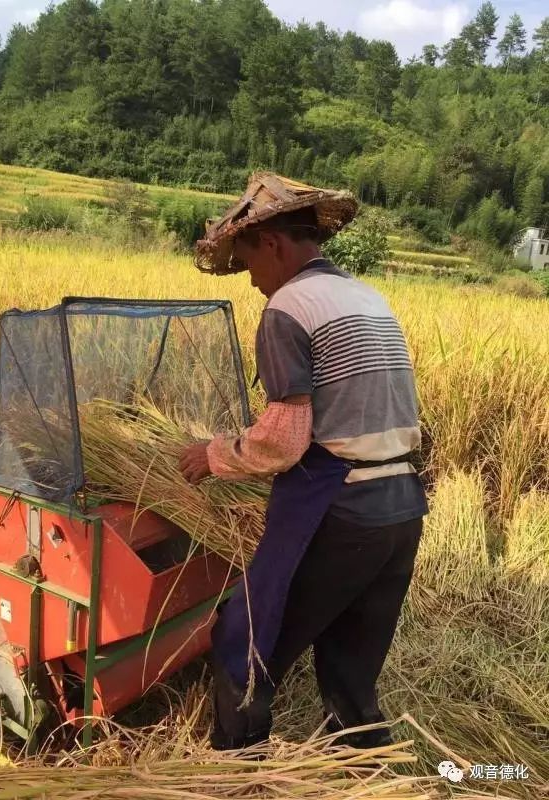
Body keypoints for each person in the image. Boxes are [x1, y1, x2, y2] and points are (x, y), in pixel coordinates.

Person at [179, 172, 428, 751]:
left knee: (247, 638)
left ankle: (239, 772)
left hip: (341, 508)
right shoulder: (366, 296)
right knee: (350, 665)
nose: (253, 283)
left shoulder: (289, 308)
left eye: (248, 264)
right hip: (401, 508)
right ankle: (359, 769)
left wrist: (213, 455)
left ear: (272, 243)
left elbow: (286, 439)